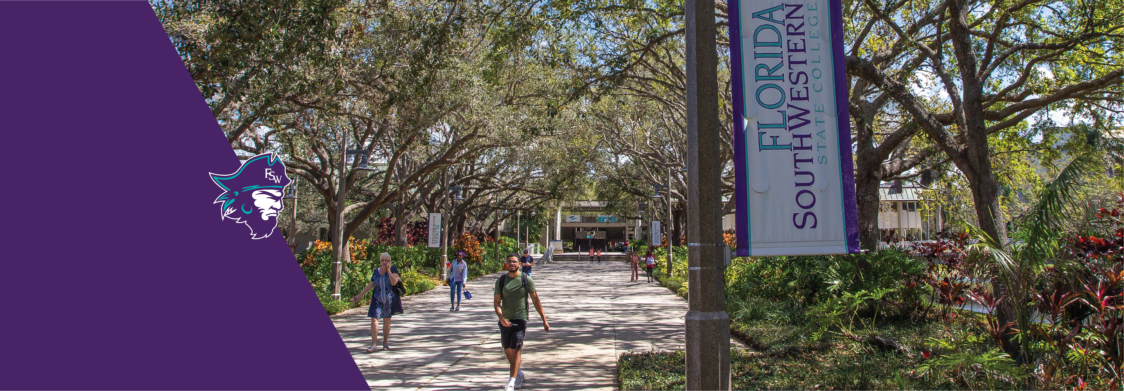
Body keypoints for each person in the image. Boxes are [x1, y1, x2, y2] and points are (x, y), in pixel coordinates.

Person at [494, 254, 549, 391]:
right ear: (506, 263)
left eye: (514, 262)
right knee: (508, 351)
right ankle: (518, 373)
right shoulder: (501, 281)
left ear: (519, 263)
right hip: (505, 320)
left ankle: (511, 382)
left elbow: (536, 300)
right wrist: (501, 317)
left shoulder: (526, 280)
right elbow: (496, 302)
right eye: (509, 262)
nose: (511, 264)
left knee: (516, 349)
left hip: (520, 319)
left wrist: (544, 319)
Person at [350, 252, 403, 352]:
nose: (384, 262)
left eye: (386, 260)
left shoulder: (393, 269)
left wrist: (388, 271)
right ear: (380, 261)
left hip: (388, 299)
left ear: (389, 261)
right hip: (377, 299)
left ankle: (385, 343)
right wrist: (359, 296)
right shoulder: (376, 271)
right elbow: (370, 285)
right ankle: (373, 345)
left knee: (387, 320)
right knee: (374, 319)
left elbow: (394, 282)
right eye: (382, 260)